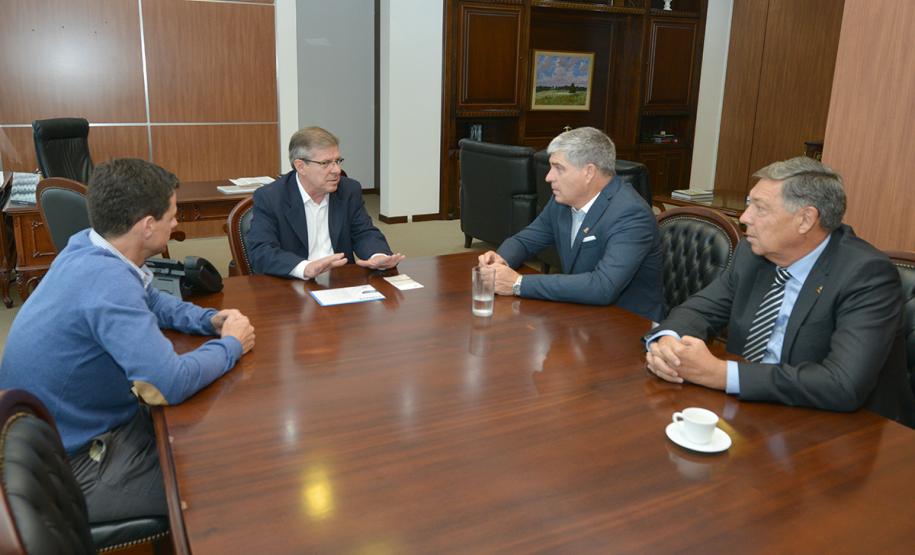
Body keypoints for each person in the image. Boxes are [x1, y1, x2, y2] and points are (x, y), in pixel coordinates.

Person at [0, 158, 256, 522]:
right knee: (225, 485)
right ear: (148, 226)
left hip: (66, 432)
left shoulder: (88, 246)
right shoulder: (108, 282)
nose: (177, 222)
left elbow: (150, 298)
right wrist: (230, 344)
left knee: (208, 438)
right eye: (172, 214)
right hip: (70, 469)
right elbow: (169, 383)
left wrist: (209, 320)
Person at [646, 156, 914, 427]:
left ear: (806, 219)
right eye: (749, 205)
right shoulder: (752, 255)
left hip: (842, 431)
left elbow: (843, 384)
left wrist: (722, 374)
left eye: (760, 209)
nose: (744, 218)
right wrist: (670, 341)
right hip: (754, 413)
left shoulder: (866, 275)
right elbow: (699, 310)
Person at [478, 126, 664, 322]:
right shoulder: (563, 202)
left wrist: (518, 283)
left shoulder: (630, 214)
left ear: (589, 172)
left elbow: (603, 287)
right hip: (581, 313)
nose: (548, 177)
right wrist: (499, 261)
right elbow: (525, 241)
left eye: (559, 168)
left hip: (629, 326)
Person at [247, 126, 404, 279]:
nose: (336, 170)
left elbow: (364, 232)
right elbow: (261, 251)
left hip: (341, 281)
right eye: (326, 163)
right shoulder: (271, 197)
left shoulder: (349, 189)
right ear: (300, 166)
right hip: (293, 283)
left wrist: (377, 255)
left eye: (337, 161)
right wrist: (305, 267)